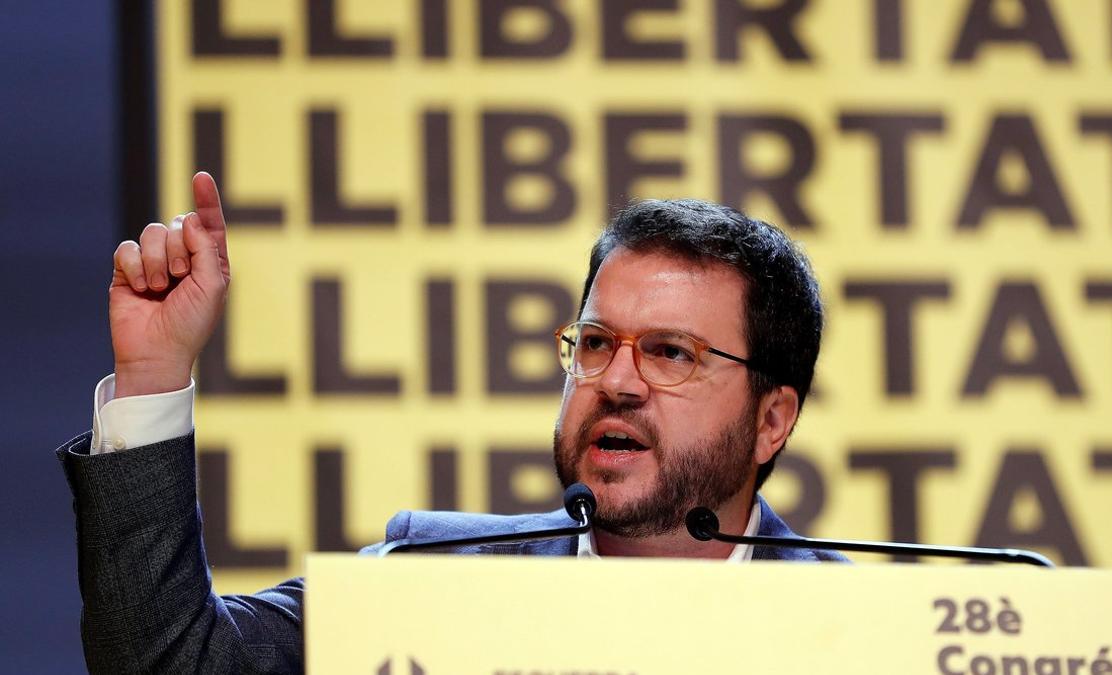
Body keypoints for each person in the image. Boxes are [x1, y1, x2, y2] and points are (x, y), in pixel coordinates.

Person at [57, 172, 846, 673]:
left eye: (671, 353)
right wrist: (154, 375)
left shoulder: (869, 636)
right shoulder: (430, 576)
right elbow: (167, 664)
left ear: (772, 419)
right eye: (597, 344)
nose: (618, 382)